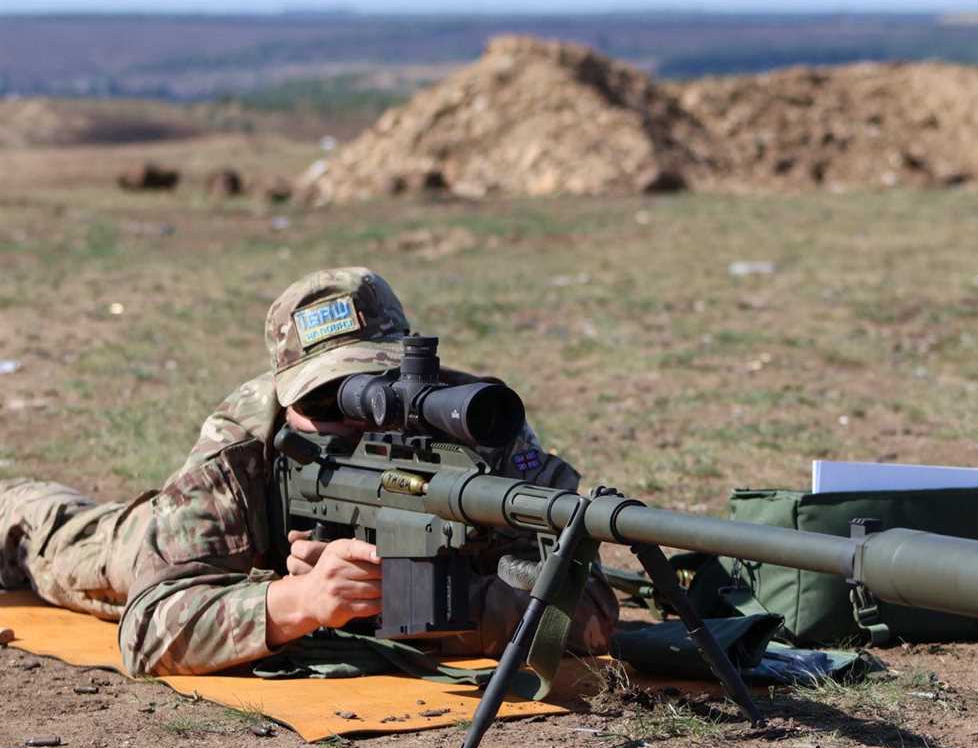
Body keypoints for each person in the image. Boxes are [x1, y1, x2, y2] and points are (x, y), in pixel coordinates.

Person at [0, 267, 618, 675]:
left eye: (371, 387)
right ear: (286, 396)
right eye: (325, 402)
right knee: (45, 531)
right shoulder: (239, 446)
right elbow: (148, 631)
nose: (357, 420)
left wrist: (419, 599)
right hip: (168, 549)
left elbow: (586, 610)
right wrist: (297, 600)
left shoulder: (476, 426)